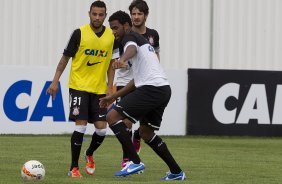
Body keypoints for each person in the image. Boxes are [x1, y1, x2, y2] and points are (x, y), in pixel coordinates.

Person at [100, 10, 186, 180]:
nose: (114, 32)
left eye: (116, 28)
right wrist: (112, 96)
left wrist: (123, 59)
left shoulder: (129, 38)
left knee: (111, 117)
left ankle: (134, 161)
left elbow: (130, 49)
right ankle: (177, 172)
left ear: (126, 26)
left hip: (151, 89)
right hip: (162, 89)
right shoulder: (143, 42)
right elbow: (135, 81)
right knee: (146, 133)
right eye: (111, 29)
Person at [46, 1, 117, 178]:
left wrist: (110, 87)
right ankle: (74, 168)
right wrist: (55, 82)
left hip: (99, 89)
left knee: (101, 129)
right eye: (94, 14)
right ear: (89, 14)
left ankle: (89, 153)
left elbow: (111, 64)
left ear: (105, 16)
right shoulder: (79, 33)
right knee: (81, 126)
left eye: (101, 15)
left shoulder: (111, 36)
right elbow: (65, 59)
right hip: (78, 86)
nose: (97, 18)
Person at [116, 0, 161, 168]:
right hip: (126, 82)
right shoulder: (125, 35)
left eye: (139, 14)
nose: (136, 17)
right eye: (133, 14)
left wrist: (156, 72)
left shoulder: (153, 35)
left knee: (144, 126)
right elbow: (123, 58)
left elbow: (155, 56)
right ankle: (128, 159)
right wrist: (123, 63)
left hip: (146, 83)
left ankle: (137, 137)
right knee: (124, 122)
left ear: (145, 16)